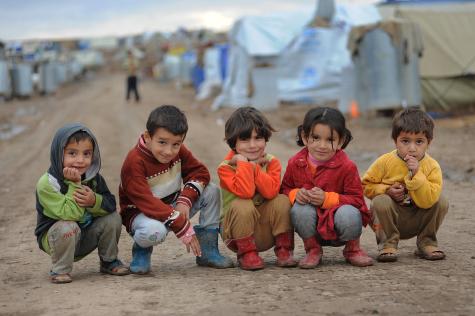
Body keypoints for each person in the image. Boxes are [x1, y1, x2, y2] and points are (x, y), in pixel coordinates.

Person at [119, 105, 234, 274]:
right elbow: (147, 202)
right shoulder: (134, 162)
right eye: (162, 142)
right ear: (147, 136)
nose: (168, 151)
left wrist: (184, 201)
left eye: (176, 144)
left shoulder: (178, 152)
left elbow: (200, 173)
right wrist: (181, 224)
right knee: (154, 231)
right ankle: (142, 250)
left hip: (170, 205)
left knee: (211, 191)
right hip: (141, 213)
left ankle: (208, 251)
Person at [35, 123, 129, 284]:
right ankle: (60, 269)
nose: (80, 160)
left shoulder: (93, 178)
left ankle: (108, 261)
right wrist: (74, 184)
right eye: (72, 153)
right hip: (57, 238)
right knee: (67, 226)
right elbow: (70, 214)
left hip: (85, 235)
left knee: (113, 218)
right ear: (59, 154)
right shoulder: (47, 183)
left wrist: (94, 201)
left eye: (87, 154)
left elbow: (111, 204)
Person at [281, 107, 373, 268]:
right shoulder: (296, 163)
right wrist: (295, 194)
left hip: (339, 225)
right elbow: (284, 189)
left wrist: (327, 199)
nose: (322, 145)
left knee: (350, 213)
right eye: (315, 138)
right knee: (299, 209)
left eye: (330, 139)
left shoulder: (347, 166)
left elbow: (358, 201)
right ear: (304, 137)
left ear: (341, 141)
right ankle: (313, 249)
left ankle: (353, 249)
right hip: (312, 226)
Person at [362, 107, 449, 262]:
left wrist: (417, 174)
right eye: (405, 141)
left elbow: (429, 200)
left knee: (441, 201)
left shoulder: (432, 166)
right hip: (390, 219)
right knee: (379, 201)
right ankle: (387, 244)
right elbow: (365, 185)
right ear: (395, 141)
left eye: (419, 142)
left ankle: (426, 242)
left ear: (429, 142)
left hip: (418, 218)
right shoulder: (385, 161)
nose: (412, 148)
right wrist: (386, 190)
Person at [218, 106, 296, 270]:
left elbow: (270, 192)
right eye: (245, 140)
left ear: (266, 139)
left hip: (265, 231)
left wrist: (253, 168)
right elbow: (245, 192)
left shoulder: (271, 162)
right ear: (234, 143)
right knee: (242, 204)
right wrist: (245, 165)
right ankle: (247, 255)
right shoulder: (225, 168)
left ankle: (284, 250)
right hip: (236, 235)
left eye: (258, 138)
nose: (253, 145)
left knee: (282, 200)